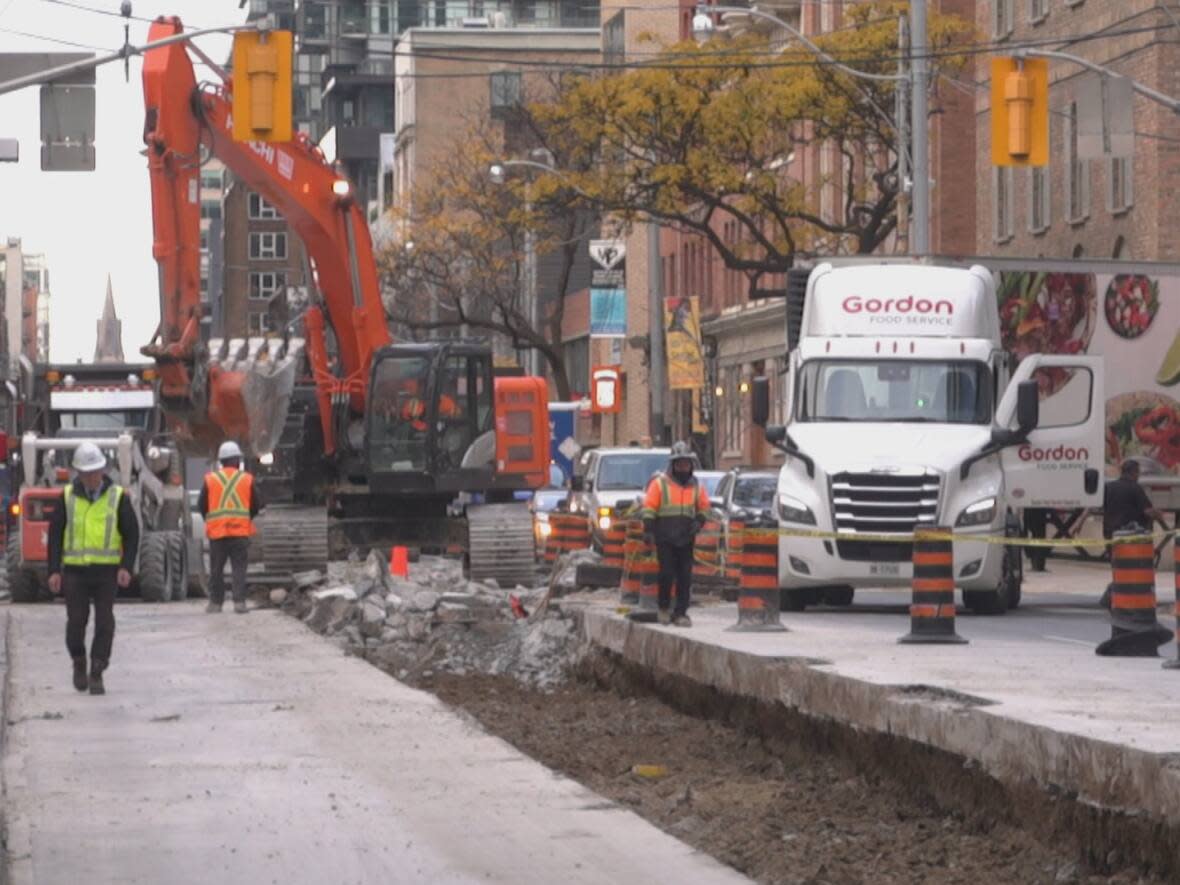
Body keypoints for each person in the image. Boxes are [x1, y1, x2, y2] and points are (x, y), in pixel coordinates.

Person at [47, 442, 139, 696]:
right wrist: (54, 570)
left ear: (102, 469)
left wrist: (126, 566)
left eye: (95, 472)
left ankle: (97, 670)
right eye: (86, 473)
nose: (91, 477)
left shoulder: (118, 497)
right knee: (76, 621)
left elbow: (131, 534)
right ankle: (79, 660)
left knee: (104, 622)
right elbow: (55, 534)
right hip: (75, 571)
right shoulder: (67, 497)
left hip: (106, 571)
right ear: (78, 473)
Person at [641, 440, 711, 627]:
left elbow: (704, 507)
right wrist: (648, 530)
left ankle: (681, 612)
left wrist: (699, 521)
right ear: (673, 465)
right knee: (666, 573)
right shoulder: (659, 484)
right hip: (665, 537)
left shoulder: (696, 486)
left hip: (686, 538)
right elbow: (649, 508)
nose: (683, 467)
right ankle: (664, 608)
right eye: (679, 464)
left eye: (686, 464)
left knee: (685, 576)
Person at [199, 441, 262, 614]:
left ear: (221, 461)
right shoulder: (246, 479)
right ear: (237, 461)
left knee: (216, 570)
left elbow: (201, 505)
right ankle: (239, 603)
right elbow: (256, 505)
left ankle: (215, 604)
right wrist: (245, 518)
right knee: (239, 569)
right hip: (240, 532)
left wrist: (211, 520)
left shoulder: (211, 479)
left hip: (217, 533)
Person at [1099, 459, 1168, 608]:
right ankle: (1114, 597)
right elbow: (1147, 511)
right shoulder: (1134, 488)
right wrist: (1159, 515)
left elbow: (1095, 508)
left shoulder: (1109, 487)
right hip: (1131, 538)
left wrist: (1077, 525)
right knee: (1132, 570)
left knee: (1118, 567)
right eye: (1138, 473)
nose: (1139, 476)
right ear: (1134, 472)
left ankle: (1112, 597)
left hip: (1111, 535)